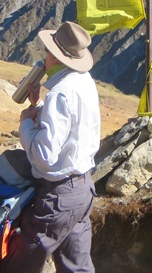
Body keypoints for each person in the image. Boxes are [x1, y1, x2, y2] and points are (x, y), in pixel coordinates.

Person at [3, 21, 101, 273]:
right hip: (82, 191)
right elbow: (72, 126)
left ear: (56, 56)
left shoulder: (61, 93)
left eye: (47, 51)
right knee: (77, 267)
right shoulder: (84, 80)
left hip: (58, 198)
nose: (44, 56)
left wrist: (26, 124)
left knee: (17, 265)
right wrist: (40, 105)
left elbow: (44, 156)